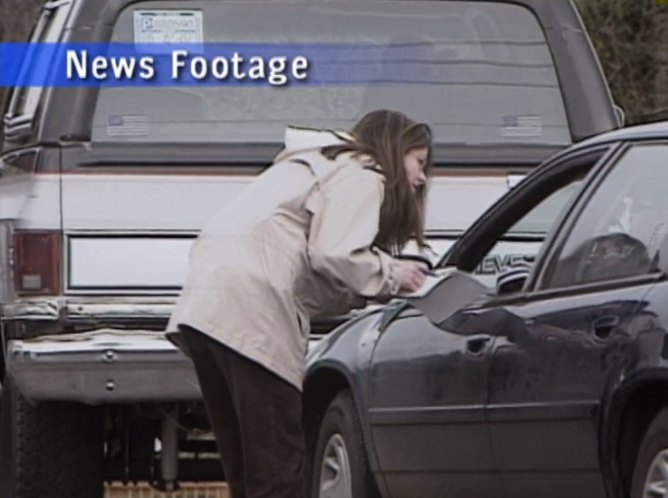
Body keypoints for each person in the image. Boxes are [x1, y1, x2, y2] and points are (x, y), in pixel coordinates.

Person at [166, 109, 433, 498]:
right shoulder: (362, 172)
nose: (422, 178)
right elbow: (334, 253)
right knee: (278, 467)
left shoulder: (311, 167)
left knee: (246, 469)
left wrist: (364, 286)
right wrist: (395, 274)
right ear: (394, 151)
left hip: (204, 310)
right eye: (419, 162)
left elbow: (307, 267)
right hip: (252, 312)